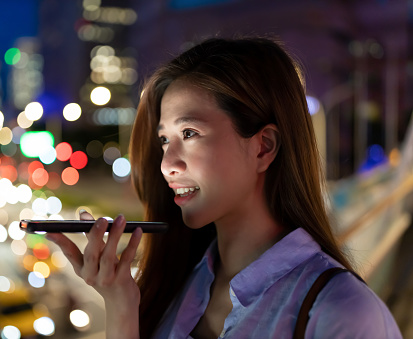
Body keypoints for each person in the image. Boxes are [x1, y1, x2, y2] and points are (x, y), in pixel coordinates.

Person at [46, 37, 402, 338]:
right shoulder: (175, 286)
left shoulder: (343, 312)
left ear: (263, 147)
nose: (167, 164)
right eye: (164, 140)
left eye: (190, 134)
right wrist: (121, 307)